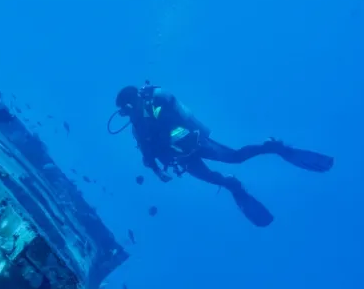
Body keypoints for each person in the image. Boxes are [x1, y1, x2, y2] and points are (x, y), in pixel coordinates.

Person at [111, 83, 334, 227]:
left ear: (133, 99)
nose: (127, 113)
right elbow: (147, 155)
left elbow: (174, 111)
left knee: (235, 157)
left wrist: (162, 129)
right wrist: (158, 171)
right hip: (182, 158)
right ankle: (233, 185)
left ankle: (273, 147)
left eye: (127, 108)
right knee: (213, 178)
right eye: (125, 111)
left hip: (194, 142)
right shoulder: (137, 127)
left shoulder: (154, 101)